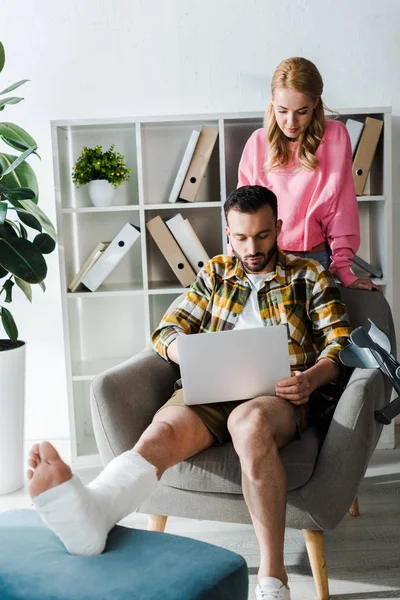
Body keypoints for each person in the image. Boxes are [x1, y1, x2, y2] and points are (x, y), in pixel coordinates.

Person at [27, 185, 352, 600]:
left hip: (280, 390)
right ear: (228, 233)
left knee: (248, 424)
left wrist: (312, 377)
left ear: (279, 228)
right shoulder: (215, 272)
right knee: (162, 432)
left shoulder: (308, 275)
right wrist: (192, 353)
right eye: (241, 237)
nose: (252, 247)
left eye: (263, 235)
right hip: (213, 384)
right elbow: (166, 330)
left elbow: (341, 344)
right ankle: (97, 512)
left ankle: (273, 579)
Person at [238, 56, 380, 291]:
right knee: (273, 329)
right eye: (282, 111)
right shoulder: (257, 143)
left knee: (319, 327)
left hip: (315, 258)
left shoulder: (335, 136)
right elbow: (242, 214)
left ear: (315, 103)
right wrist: (237, 263)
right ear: (272, 101)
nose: (290, 122)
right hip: (268, 260)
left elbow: (342, 205)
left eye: (301, 112)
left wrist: (344, 270)